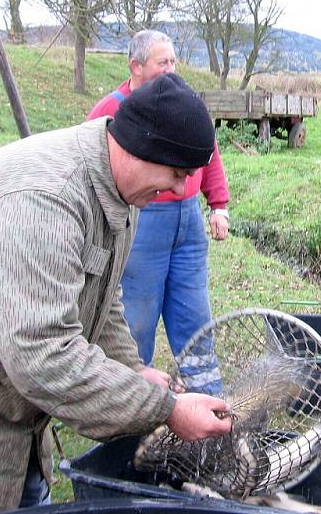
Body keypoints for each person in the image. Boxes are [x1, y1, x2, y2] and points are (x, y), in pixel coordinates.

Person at [0, 73, 232, 514]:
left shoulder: (123, 189)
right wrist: (167, 408)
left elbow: (103, 292)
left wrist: (133, 369)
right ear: (141, 146)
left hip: (11, 405)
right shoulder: (45, 201)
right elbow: (41, 356)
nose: (179, 190)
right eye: (177, 173)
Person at [88, 30, 229, 394]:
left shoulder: (185, 105)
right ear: (136, 66)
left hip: (189, 224)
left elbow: (208, 154)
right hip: (142, 224)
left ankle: (207, 400)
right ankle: (133, 399)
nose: (171, 69)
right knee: (136, 314)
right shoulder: (111, 110)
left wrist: (219, 205)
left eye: (173, 61)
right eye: (162, 62)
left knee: (195, 313)